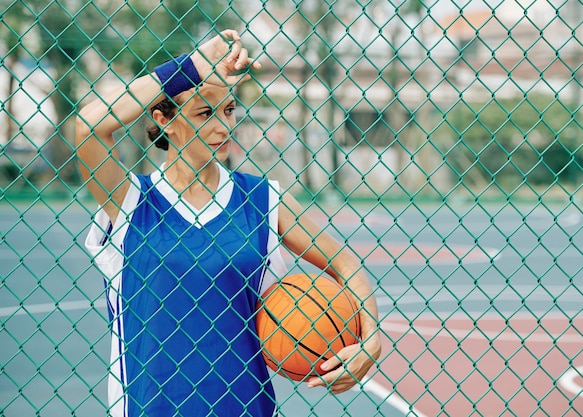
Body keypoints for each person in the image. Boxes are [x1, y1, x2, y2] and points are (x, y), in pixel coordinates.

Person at [75, 30, 381, 417]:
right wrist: (189, 67)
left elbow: (344, 262)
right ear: (163, 119)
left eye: (229, 110)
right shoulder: (133, 201)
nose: (224, 127)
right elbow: (88, 128)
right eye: (206, 113)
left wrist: (371, 340)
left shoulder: (263, 199)